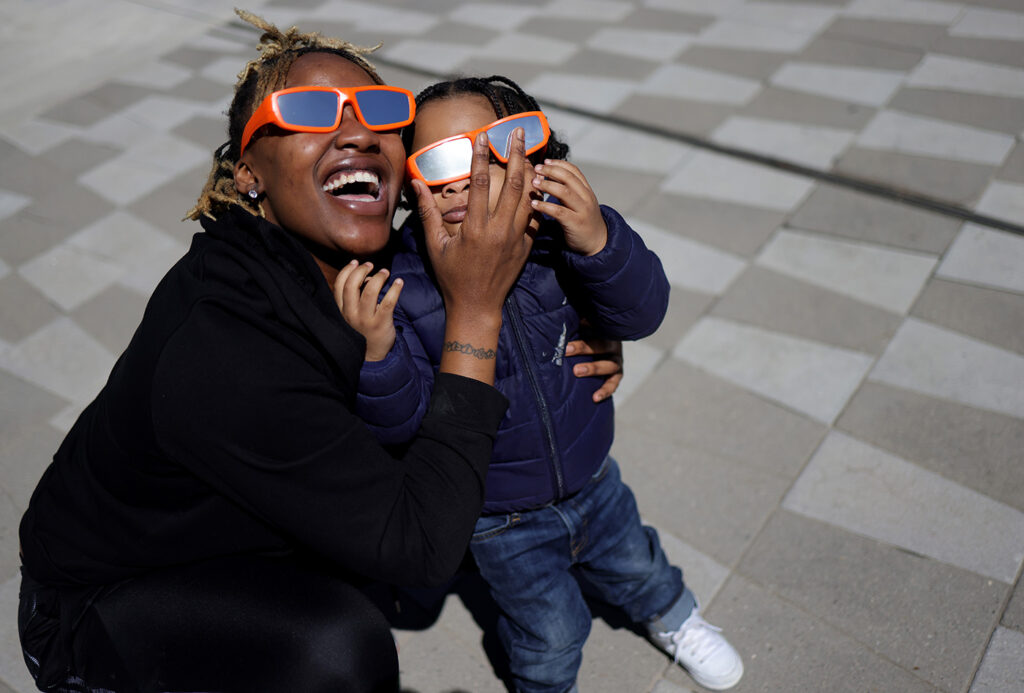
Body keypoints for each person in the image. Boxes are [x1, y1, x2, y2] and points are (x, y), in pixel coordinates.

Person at [16, 13, 539, 693]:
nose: (356, 131)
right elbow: (423, 547)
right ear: (248, 175)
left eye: (381, 113)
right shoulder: (224, 351)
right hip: (101, 604)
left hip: (236, 527)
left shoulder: (357, 254)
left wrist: (582, 328)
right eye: (309, 113)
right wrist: (477, 311)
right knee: (340, 647)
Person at [349, 76, 745, 692]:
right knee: (550, 630)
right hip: (499, 517)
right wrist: (377, 358)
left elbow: (641, 314)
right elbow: (404, 425)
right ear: (409, 184)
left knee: (640, 566)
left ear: (533, 158)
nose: (465, 179)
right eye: (436, 163)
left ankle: (676, 618)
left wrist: (601, 240)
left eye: (487, 153)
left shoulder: (559, 241)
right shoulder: (404, 285)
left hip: (594, 475)